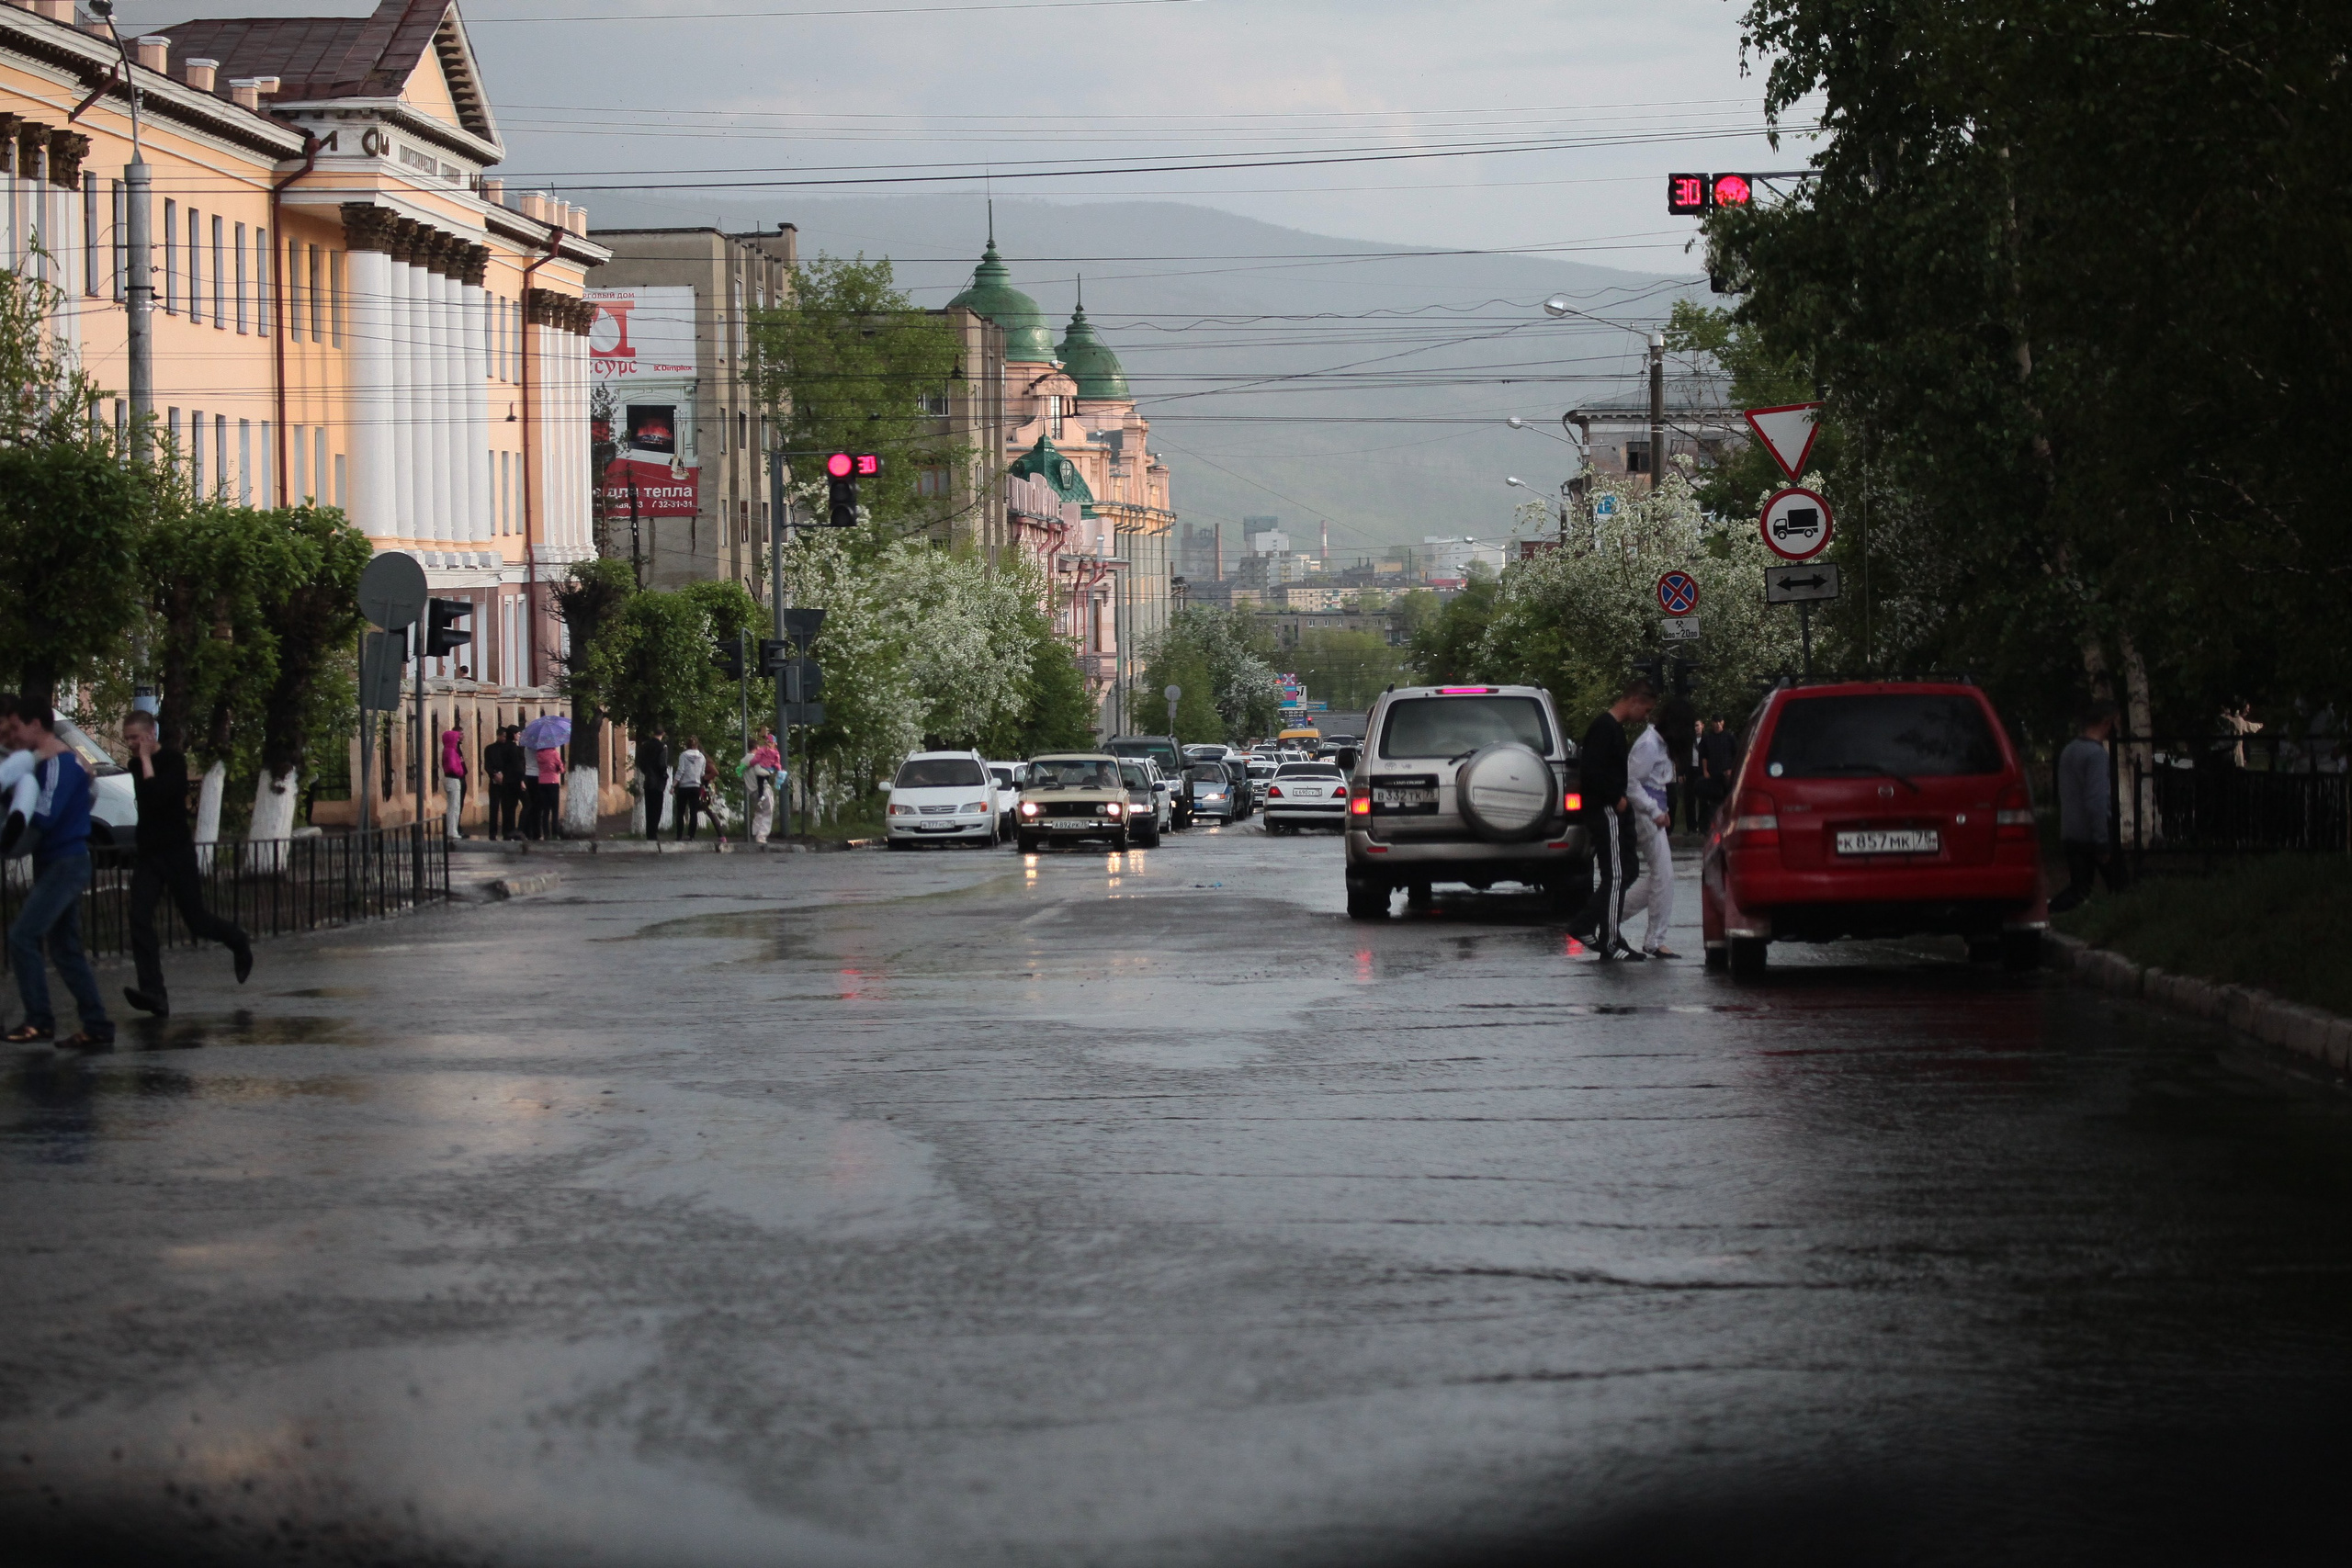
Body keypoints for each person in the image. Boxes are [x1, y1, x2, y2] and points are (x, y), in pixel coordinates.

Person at [120, 710, 253, 1019]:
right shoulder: (135, 765)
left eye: (135, 738)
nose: (130, 744)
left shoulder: (173, 762)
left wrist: (147, 760)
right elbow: (148, 797)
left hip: (177, 852)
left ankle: (238, 940)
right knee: (139, 918)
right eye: (127, 739)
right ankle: (154, 992)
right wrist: (143, 761)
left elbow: (160, 796)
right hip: (150, 854)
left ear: (150, 735)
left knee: (196, 920)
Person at [3, 699, 113, 1046]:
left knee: (22, 936)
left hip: (65, 862)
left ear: (36, 724)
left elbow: (46, 814)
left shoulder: (58, 764)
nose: (14, 737)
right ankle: (96, 1026)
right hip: (61, 861)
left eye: (17, 728)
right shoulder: (60, 763)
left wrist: (10, 840)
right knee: (65, 949)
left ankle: (39, 1020)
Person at [1572, 676, 1656, 961]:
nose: (1645, 717)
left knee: (1628, 869)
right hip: (1606, 809)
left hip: (1611, 808)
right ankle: (1608, 939)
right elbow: (1592, 772)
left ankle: (1597, 929)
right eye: (1645, 710)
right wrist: (1615, 798)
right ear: (1634, 701)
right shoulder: (1604, 728)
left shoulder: (1612, 729)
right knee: (1617, 874)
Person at [2050, 702, 2124, 914]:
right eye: (2115, 722)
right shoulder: (2096, 755)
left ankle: (2049, 915)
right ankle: (2121, 924)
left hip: (2071, 831)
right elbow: (2096, 800)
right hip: (2093, 832)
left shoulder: (2069, 750)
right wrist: (2102, 841)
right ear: (2106, 722)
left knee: (2079, 889)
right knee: (2120, 887)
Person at [1618, 716, 1680, 958]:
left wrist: (1660, 810)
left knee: (1660, 877)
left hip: (1651, 813)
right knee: (1663, 875)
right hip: (1646, 815)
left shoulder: (1657, 744)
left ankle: (1610, 915)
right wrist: (1655, 811)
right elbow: (1632, 783)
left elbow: (1654, 783)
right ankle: (1654, 939)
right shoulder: (1649, 745)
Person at [483, 725, 525, 840]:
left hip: (508, 781)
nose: (505, 739)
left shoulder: (510, 748)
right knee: (494, 807)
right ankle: (493, 832)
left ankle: (507, 831)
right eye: (503, 736)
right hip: (495, 781)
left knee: (507, 808)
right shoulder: (490, 748)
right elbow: (488, 765)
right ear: (499, 736)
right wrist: (494, 775)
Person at [741, 731, 782, 844]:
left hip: (751, 790)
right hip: (763, 789)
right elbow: (759, 771)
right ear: (757, 747)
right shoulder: (758, 758)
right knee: (767, 812)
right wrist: (771, 771)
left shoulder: (743, 760)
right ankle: (762, 836)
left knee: (758, 812)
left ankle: (755, 832)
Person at [1697, 716, 1736, 829]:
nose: (1717, 724)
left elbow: (1736, 753)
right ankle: (1710, 828)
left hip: (1727, 774)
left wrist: (1731, 770)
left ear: (1723, 722)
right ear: (1712, 723)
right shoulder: (1708, 738)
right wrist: (1705, 771)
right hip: (1712, 774)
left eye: (1719, 722)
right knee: (1712, 803)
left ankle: (1728, 826)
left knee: (1727, 800)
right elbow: (1704, 756)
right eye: (1715, 722)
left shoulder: (1729, 737)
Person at [635, 727, 670, 839]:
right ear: (663, 733)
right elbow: (662, 764)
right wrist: (664, 775)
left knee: (649, 808)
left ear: (652, 732)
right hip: (658, 782)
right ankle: (653, 833)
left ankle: (649, 833)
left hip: (648, 780)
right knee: (657, 808)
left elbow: (640, 762)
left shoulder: (644, 746)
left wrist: (646, 772)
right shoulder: (663, 747)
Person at [672, 737, 707, 841]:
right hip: (696, 787)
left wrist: (673, 785)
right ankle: (691, 836)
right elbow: (702, 773)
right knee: (693, 812)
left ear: (687, 745)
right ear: (697, 745)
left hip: (684, 787)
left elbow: (680, 771)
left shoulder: (683, 755)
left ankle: (679, 835)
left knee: (680, 812)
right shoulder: (702, 757)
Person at [439, 718, 468, 839]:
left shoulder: (449, 750)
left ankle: (452, 830)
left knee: (454, 806)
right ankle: (452, 831)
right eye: (456, 736)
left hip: (451, 779)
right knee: (454, 806)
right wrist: (460, 771)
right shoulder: (451, 751)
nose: (458, 739)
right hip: (453, 779)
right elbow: (453, 766)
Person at [532, 730, 564, 840]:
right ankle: (555, 831)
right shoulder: (554, 753)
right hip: (553, 782)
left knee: (545, 810)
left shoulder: (539, 754)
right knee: (555, 809)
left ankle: (546, 832)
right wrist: (559, 767)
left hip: (542, 782)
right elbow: (561, 768)